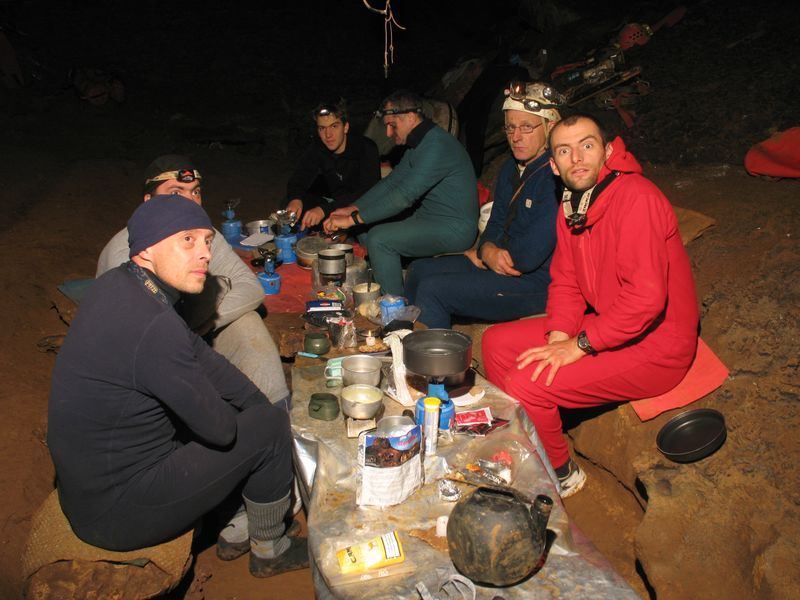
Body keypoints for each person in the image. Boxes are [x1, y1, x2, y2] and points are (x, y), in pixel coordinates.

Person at [48, 195, 307, 577]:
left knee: (252, 412)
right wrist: (265, 420)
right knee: (268, 428)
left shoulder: (119, 286)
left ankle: (241, 509)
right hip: (119, 513)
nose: (204, 253)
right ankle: (271, 549)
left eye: (207, 240)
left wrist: (255, 401)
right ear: (147, 249)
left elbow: (203, 357)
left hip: (90, 492)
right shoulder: (153, 327)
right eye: (187, 240)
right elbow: (221, 431)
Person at [482, 114, 700, 498]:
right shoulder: (574, 205)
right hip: (610, 323)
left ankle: (561, 473)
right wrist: (558, 337)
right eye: (565, 151)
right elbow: (566, 283)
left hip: (658, 344)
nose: (577, 158)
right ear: (554, 164)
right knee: (495, 343)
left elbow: (645, 300)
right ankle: (526, 443)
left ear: (607, 151)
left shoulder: (636, 199)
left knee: (527, 383)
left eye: (587, 145)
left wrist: (579, 345)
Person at [97, 155, 291, 410]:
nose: (190, 201)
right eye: (175, 193)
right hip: (140, 363)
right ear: (149, 201)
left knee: (247, 321)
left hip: (190, 331)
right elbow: (142, 337)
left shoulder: (201, 234)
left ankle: (277, 413)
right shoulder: (128, 252)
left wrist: (207, 323)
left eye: (195, 192)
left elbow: (250, 287)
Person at [404, 82, 561, 328]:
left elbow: (528, 257)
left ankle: (434, 353)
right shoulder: (511, 167)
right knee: (418, 270)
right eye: (510, 127)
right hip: (498, 259)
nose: (515, 137)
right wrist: (487, 248)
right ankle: (405, 338)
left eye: (526, 127)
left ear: (550, 127)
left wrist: (488, 255)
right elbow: (495, 221)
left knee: (434, 290)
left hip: (537, 283)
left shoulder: (555, 176)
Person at [323, 90, 479, 296]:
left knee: (380, 239)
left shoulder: (437, 146)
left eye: (392, 125)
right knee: (365, 229)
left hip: (454, 228)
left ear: (411, 117)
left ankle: (394, 306)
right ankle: (386, 276)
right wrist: (353, 208)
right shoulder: (420, 144)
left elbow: (403, 197)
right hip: (428, 218)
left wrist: (352, 219)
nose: (388, 133)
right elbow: (391, 183)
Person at [284, 99, 380, 231]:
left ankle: (341, 233)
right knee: (291, 204)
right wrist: (295, 198)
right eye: (322, 128)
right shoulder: (318, 147)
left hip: (359, 206)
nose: (328, 135)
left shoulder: (366, 148)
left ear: (345, 127)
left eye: (334, 126)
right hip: (334, 202)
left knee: (362, 224)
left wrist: (324, 210)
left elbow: (369, 192)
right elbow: (300, 176)